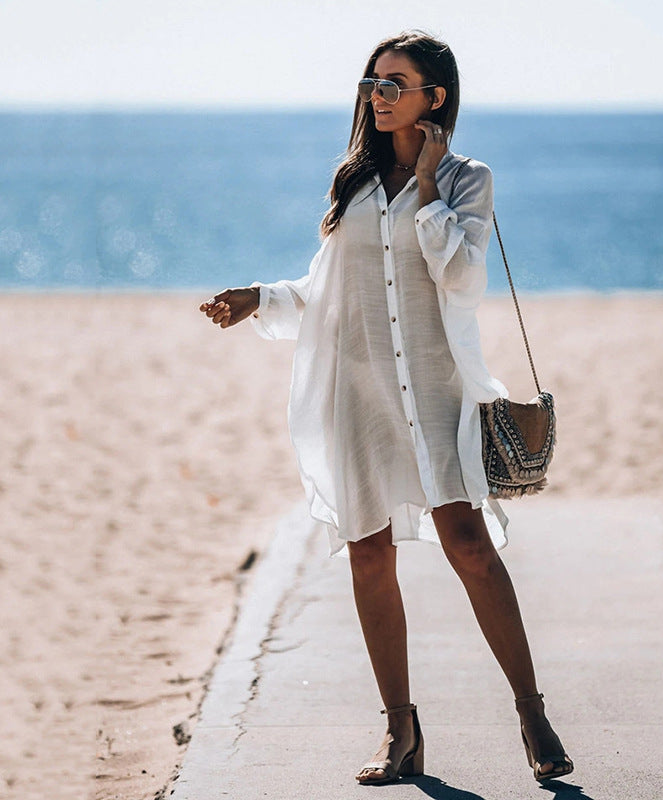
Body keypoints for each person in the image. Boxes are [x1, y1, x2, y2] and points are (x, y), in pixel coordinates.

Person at [199, 30, 573, 786]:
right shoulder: (351, 184)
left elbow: (463, 280)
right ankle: (400, 733)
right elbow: (327, 290)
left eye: (396, 83)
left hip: (436, 390)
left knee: (469, 542)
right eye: (374, 82)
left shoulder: (468, 179)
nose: (379, 94)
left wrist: (430, 184)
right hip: (359, 394)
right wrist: (261, 299)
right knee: (368, 553)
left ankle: (531, 711)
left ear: (435, 98)